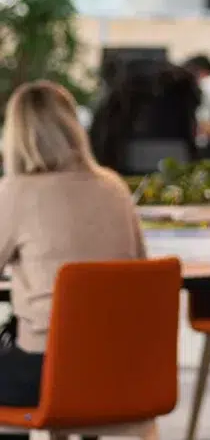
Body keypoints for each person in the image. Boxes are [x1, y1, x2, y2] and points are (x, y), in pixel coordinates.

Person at [0, 81, 147, 424]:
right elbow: (140, 267)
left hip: (48, 371)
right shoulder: (114, 187)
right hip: (122, 369)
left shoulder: (17, 192)